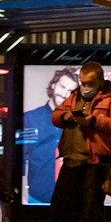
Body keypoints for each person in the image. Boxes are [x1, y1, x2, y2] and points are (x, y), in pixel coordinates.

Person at [38, 61, 111, 222]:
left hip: (96, 160)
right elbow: (56, 116)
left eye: (89, 82)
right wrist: (67, 116)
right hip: (72, 158)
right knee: (61, 205)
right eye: (82, 82)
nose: (85, 86)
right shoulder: (75, 95)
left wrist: (94, 121)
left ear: (99, 81)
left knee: (91, 209)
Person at [22, 67, 79, 205]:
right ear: (53, 85)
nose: (65, 94)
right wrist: (23, 197)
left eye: (71, 91)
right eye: (62, 86)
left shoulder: (79, 122)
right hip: (37, 198)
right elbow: (21, 159)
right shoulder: (30, 118)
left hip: (72, 198)